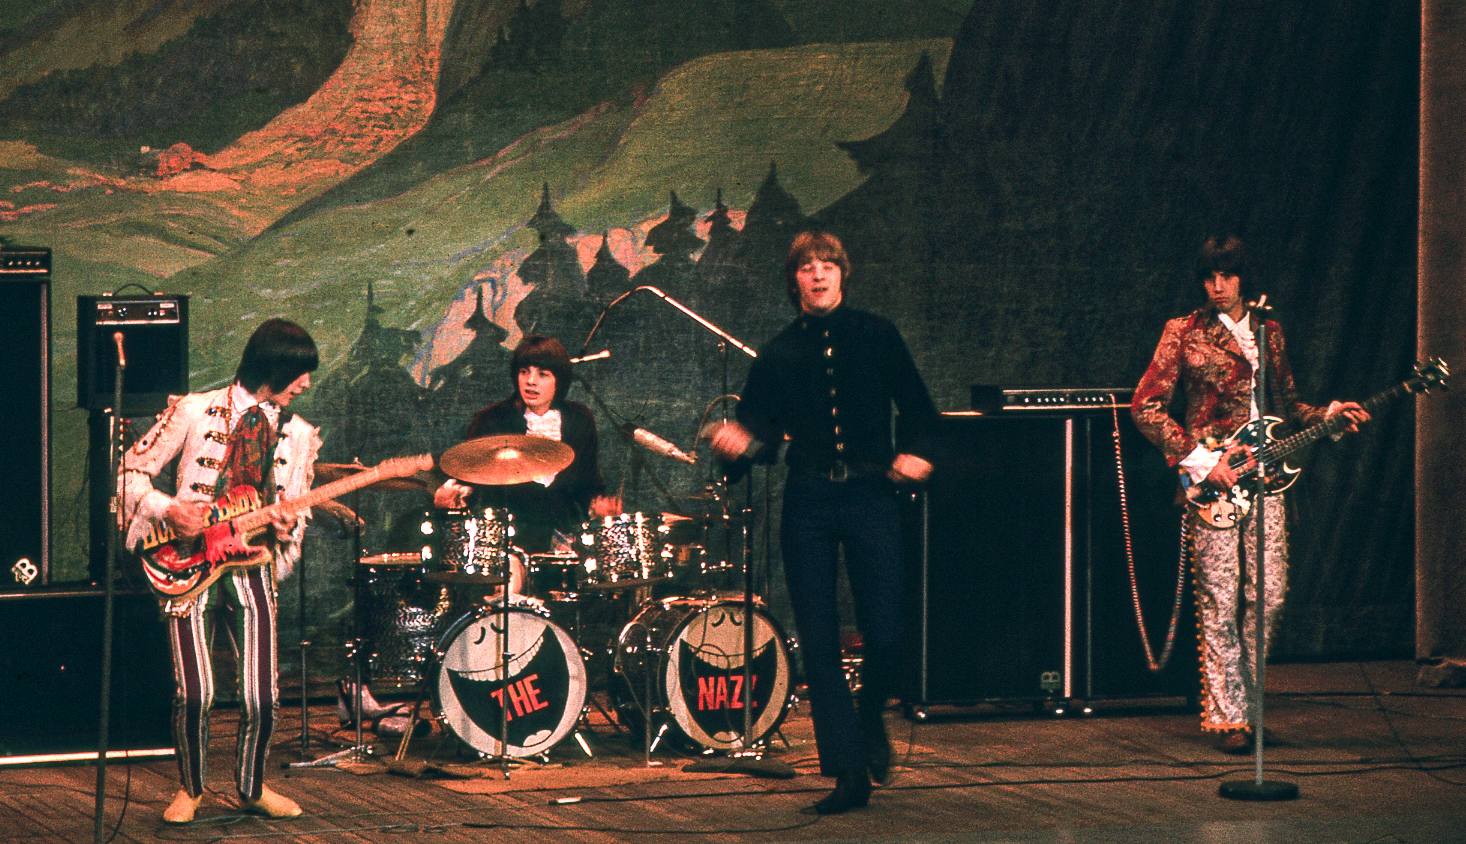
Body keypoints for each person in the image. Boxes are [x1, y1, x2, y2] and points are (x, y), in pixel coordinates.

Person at [709, 231, 938, 814]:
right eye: (807, 267)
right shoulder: (780, 352)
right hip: (809, 498)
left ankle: (869, 723)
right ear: (794, 281)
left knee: (886, 627)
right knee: (817, 634)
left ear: (843, 273)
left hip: (870, 492)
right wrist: (735, 446)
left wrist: (917, 453)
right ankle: (847, 771)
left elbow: (919, 409)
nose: (818, 274)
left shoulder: (877, 335)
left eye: (827, 264)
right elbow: (758, 432)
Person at [1131, 236, 1368, 753]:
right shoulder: (1184, 331)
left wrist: (1327, 418)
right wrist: (1200, 460)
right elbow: (1146, 406)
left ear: (1244, 279)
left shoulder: (1269, 331)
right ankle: (1226, 717)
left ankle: (1250, 704)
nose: (1218, 287)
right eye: (1210, 278)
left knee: (1270, 594)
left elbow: (1290, 405)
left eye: (1227, 277)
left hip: (1268, 481)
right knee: (1220, 596)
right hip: (1212, 482)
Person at [119, 318, 320, 823]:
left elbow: (292, 508)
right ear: (272, 368)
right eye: (299, 372)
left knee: (263, 694)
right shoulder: (193, 410)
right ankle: (191, 788)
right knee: (196, 691)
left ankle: (252, 785)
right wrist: (168, 509)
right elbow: (130, 472)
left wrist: (286, 522)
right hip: (188, 560)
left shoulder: (297, 435)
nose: (306, 383)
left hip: (252, 565)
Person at [434, 335, 619, 561]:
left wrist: (598, 508)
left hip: (564, 541)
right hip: (506, 543)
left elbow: (588, 484)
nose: (530, 381)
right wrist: (453, 499)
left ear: (560, 380)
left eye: (542, 374)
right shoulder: (492, 420)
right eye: (524, 371)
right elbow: (470, 484)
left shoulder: (580, 419)